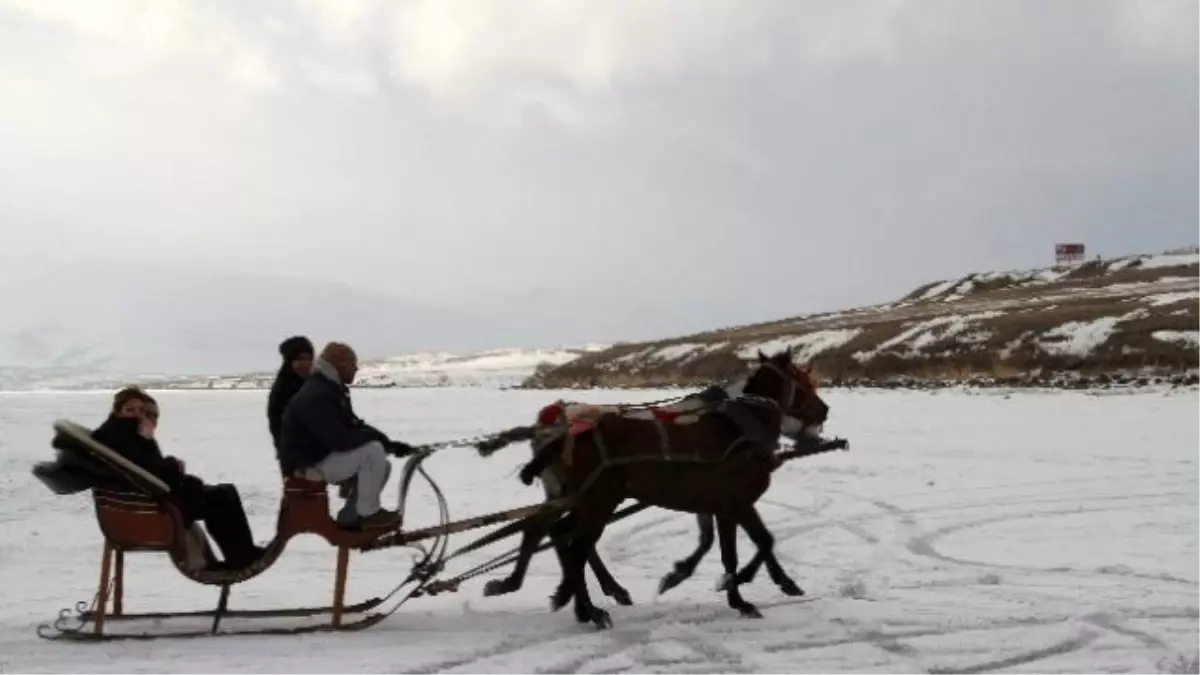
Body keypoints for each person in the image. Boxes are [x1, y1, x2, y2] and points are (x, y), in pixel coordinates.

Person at [92, 388, 265, 570]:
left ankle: (240, 555)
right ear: (117, 411)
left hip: (149, 503)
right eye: (131, 410)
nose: (139, 417)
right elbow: (153, 473)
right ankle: (243, 556)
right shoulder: (124, 436)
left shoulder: (119, 434)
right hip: (156, 511)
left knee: (221, 494)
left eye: (147, 414)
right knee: (222, 496)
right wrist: (170, 463)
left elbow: (146, 470)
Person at [278, 342, 415, 529]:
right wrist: (379, 443)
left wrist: (390, 445)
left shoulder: (329, 388)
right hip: (308, 466)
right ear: (339, 366)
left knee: (381, 463)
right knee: (373, 452)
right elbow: (339, 440)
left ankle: (350, 517)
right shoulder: (318, 394)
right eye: (353, 364)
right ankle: (369, 514)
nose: (356, 368)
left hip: (316, 458)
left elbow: (353, 425)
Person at [267, 335, 314, 469]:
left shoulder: (314, 385)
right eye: (300, 359)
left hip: (315, 455)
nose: (306, 363)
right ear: (289, 361)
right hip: (294, 458)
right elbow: (277, 427)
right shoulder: (282, 390)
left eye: (309, 359)